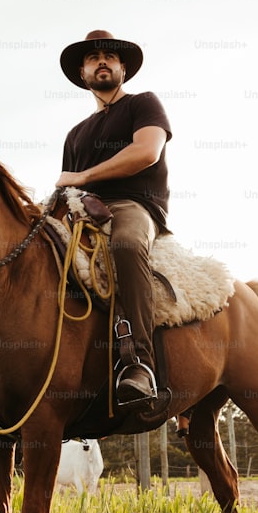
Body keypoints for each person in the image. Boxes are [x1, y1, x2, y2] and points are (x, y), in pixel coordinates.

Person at [56, 30, 172, 410]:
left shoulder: (143, 103)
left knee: (124, 244)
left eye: (110, 56)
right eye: (93, 58)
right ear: (83, 73)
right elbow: (67, 187)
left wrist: (85, 177)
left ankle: (141, 363)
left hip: (134, 205)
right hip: (82, 209)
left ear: (123, 68)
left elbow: (147, 152)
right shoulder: (75, 133)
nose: (102, 61)